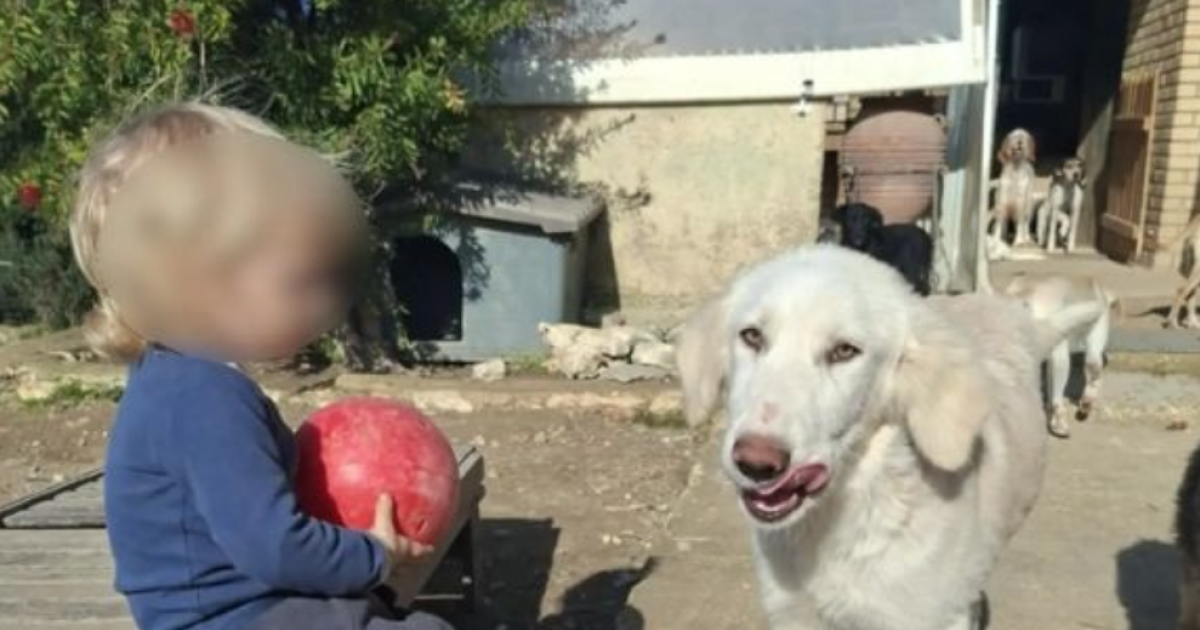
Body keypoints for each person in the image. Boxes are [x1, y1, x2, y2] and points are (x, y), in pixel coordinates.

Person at [69, 102, 453, 630]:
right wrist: (375, 555)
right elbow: (273, 547)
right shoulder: (203, 395)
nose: (319, 305)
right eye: (299, 283)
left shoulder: (175, 377)